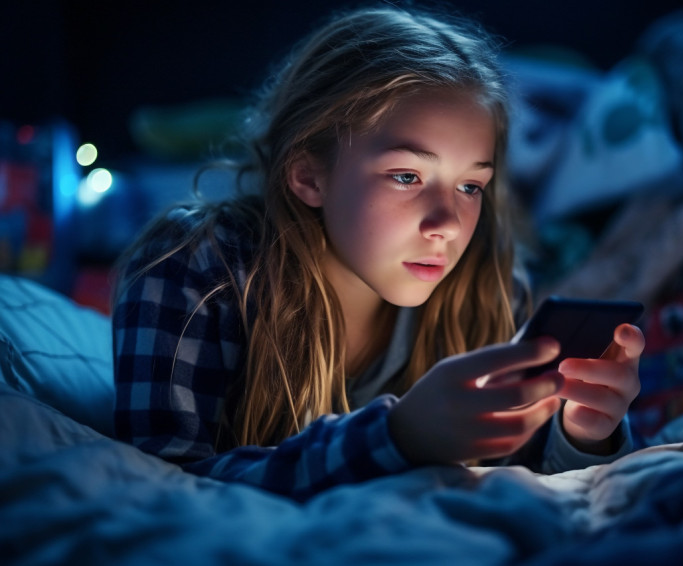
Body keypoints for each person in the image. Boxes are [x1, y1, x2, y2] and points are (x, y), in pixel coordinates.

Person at [112, 3, 645, 502]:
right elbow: (163, 490)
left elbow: (518, 469)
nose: (446, 226)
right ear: (307, 175)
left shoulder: (490, 288)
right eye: (407, 176)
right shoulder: (196, 266)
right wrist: (396, 437)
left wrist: (584, 435)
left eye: (469, 187)